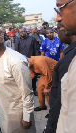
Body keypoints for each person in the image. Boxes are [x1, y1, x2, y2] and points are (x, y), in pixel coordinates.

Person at [44, 1, 76, 132]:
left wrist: (50, 128)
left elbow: (62, 102)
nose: (58, 17)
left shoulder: (70, 61)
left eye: (61, 9)